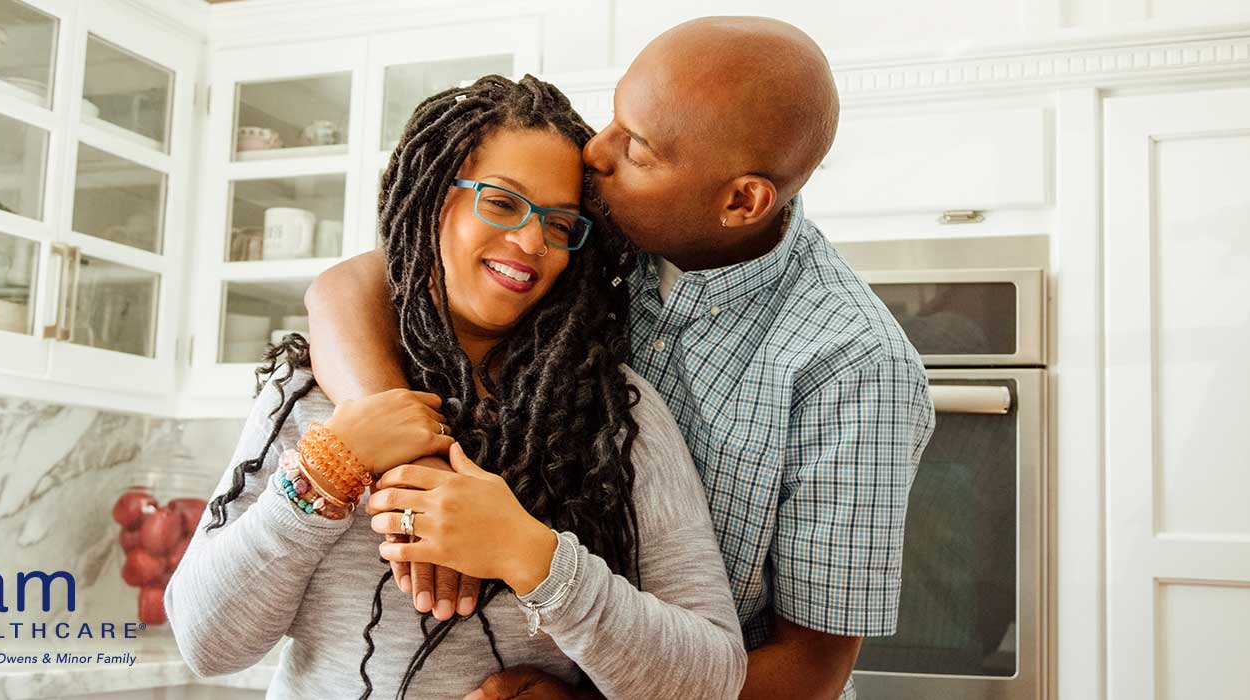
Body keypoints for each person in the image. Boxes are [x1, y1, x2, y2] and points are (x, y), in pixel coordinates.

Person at [304, 17, 936, 700]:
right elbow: (363, 281)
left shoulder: (854, 366)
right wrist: (407, 452)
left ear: (741, 200)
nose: (595, 152)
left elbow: (811, 671)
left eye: (635, 145)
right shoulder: (608, 230)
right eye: (613, 118)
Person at [165, 75, 746, 700]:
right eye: (500, 202)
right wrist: (324, 476)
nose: (530, 242)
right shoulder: (314, 393)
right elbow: (206, 644)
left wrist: (534, 558)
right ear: (435, 197)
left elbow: (713, 677)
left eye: (559, 224)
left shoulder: (615, 413)